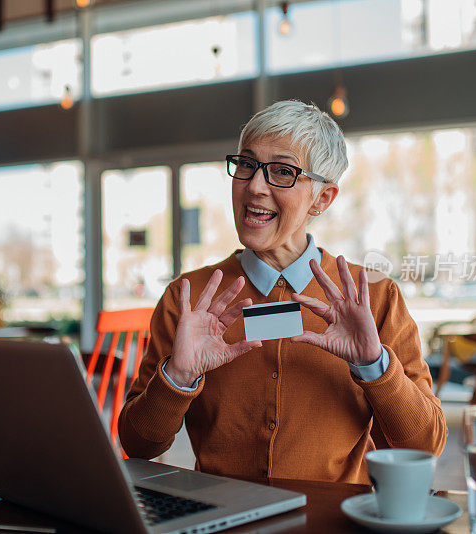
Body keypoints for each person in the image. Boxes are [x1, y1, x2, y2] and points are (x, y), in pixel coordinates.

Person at [118, 100, 447, 484]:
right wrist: (178, 376)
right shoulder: (189, 298)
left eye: (283, 172)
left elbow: (425, 446)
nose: (255, 186)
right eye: (246, 164)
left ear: (322, 199)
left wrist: (374, 364)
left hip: (333, 523)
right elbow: (138, 445)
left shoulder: (374, 296)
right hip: (224, 519)